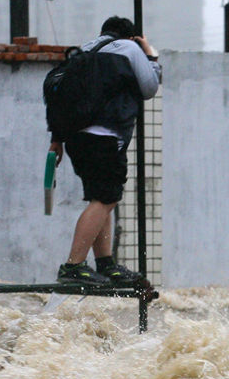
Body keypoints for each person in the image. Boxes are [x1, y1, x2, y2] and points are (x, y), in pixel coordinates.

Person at [50, 16, 162, 285]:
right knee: (106, 198)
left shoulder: (86, 50)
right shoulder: (129, 48)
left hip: (76, 139)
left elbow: (61, 97)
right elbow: (149, 88)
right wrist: (150, 56)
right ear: (131, 37)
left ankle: (105, 263)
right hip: (105, 137)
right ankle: (73, 266)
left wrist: (57, 139)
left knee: (102, 198)